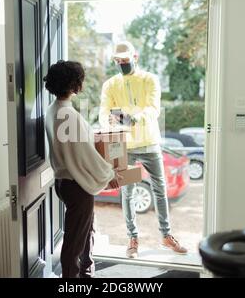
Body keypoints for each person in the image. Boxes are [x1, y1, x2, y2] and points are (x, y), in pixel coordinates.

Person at [99, 41, 188, 259]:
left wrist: (134, 118)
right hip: (125, 147)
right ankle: (133, 239)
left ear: (135, 57)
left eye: (125, 60)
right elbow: (104, 110)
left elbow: (153, 108)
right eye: (118, 61)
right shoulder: (110, 85)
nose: (122, 64)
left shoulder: (149, 79)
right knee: (127, 193)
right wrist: (108, 124)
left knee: (160, 188)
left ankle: (166, 236)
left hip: (149, 143)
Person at [44, 60, 121, 278]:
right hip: (76, 186)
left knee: (85, 231)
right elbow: (85, 156)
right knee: (74, 242)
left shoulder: (55, 110)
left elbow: (74, 144)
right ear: (73, 84)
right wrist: (109, 174)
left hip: (64, 182)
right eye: (80, 79)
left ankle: (86, 272)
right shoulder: (68, 115)